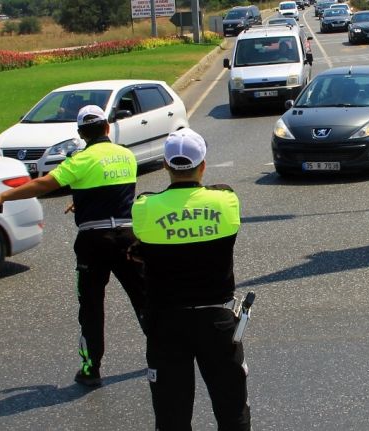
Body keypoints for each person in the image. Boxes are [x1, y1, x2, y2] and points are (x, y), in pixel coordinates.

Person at [0, 105, 147, 387]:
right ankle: (162, 355)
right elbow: (116, 190)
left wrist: (2, 197)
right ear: (107, 128)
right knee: (144, 299)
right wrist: (82, 201)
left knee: (91, 307)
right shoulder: (127, 156)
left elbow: (44, 184)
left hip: (93, 241)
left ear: (81, 133)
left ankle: (91, 369)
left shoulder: (80, 161)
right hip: (128, 238)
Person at [130, 128, 251, 430]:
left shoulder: (145, 207)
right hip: (217, 320)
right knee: (232, 410)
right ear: (203, 165)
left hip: (166, 323)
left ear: (165, 166)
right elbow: (221, 190)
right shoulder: (225, 201)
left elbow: (141, 242)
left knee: (172, 416)